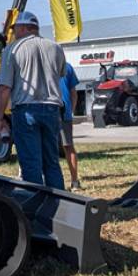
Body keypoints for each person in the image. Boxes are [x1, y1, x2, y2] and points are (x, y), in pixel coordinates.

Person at [0, 11, 66, 190]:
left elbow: (4, 88)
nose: (14, 32)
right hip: (52, 109)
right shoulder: (55, 47)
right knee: (51, 161)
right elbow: (61, 74)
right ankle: (59, 203)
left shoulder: (13, 49)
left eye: (16, 28)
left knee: (31, 163)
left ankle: (35, 207)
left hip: (26, 110)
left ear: (24, 28)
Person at [58, 61, 81, 191]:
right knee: (68, 147)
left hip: (48, 111)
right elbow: (74, 93)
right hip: (64, 111)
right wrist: (70, 111)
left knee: (45, 147)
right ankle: (74, 181)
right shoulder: (67, 66)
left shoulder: (42, 65)